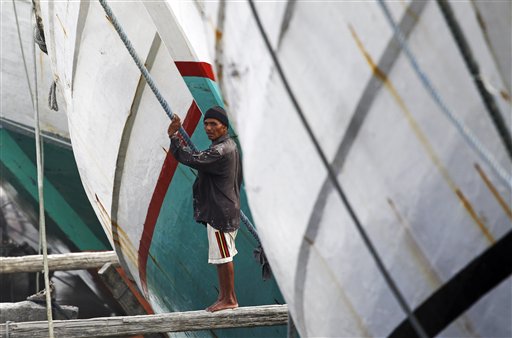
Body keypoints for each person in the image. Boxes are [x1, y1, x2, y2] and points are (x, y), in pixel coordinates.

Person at [167, 106, 242, 312]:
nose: (208, 128)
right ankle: (224, 296)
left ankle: (230, 298)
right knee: (221, 255)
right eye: (206, 124)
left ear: (224, 127)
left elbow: (191, 159)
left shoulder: (220, 151)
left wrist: (174, 137)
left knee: (224, 256)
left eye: (213, 124)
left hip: (221, 212)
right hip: (225, 209)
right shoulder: (229, 146)